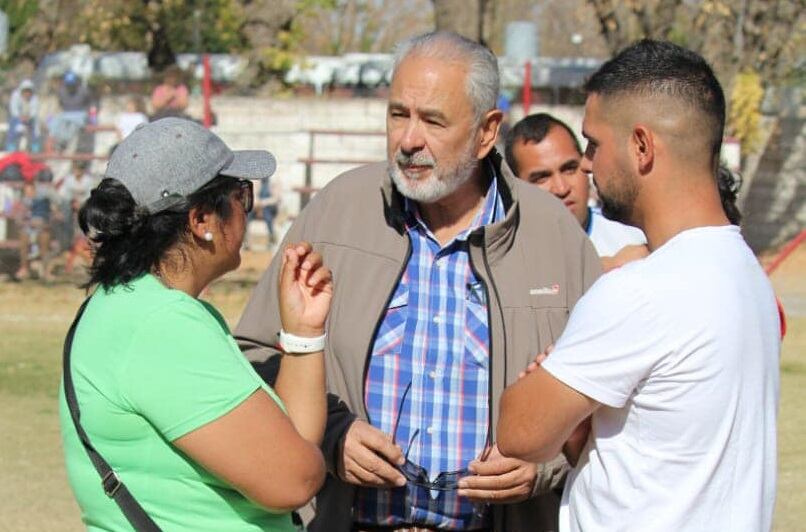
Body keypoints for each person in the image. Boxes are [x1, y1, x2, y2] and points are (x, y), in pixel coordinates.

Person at [236, 31, 601, 532]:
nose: (409, 139)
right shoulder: (337, 212)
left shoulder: (553, 234)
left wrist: (546, 464)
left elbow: (607, 400)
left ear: (486, 130)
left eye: (433, 120)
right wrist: (330, 434)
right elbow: (254, 358)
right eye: (398, 114)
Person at [497, 40, 780, 532]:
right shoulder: (742, 268)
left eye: (593, 144)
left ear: (642, 147)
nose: (586, 165)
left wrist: (555, 365)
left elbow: (519, 433)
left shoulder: (640, 291)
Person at [59, 117, 333, 530]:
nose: (246, 210)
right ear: (202, 220)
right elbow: (295, 480)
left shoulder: (127, 307)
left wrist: (303, 334)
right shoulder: (160, 326)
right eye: (241, 195)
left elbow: (292, 446)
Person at [505, 113, 647, 271]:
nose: (561, 188)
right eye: (542, 178)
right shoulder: (500, 254)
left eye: (569, 169)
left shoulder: (635, 239)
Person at [11, 180, 57, 281]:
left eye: (30, 191)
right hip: (27, 228)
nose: (29, 193)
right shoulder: (22, 202)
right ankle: (24, 269)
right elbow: (18, 219)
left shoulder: (43, 201)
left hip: (42, 228)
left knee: (44, 239)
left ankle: (46, 272)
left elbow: (51, 217)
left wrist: (43, 224)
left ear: (34, 190)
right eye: (26, 191)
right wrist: (26, 222)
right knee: (23, 237)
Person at [47, 71, 94, 152]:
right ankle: (58, 142)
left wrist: (91, 116)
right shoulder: (61, 91)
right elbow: (60, 104)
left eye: (72, 84)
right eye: (68, 84)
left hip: (80, 113)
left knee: (74, 126)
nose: (70, 86)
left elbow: (89, 102)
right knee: (54, 123)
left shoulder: (83, 90)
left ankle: (63, 142)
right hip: (66, 113)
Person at [6, 79, 41, 153]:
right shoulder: (15, 96)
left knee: (36, 127)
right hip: (17, 118)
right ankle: (11, 149)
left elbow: (34, 111)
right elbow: (13, 109)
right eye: (25, 91)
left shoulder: (35, 98)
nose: (27, 93)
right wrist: (20, 117)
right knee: (13, 125)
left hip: (30, 119)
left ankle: (35, 150)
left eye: (29, 91)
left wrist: (29, 117)